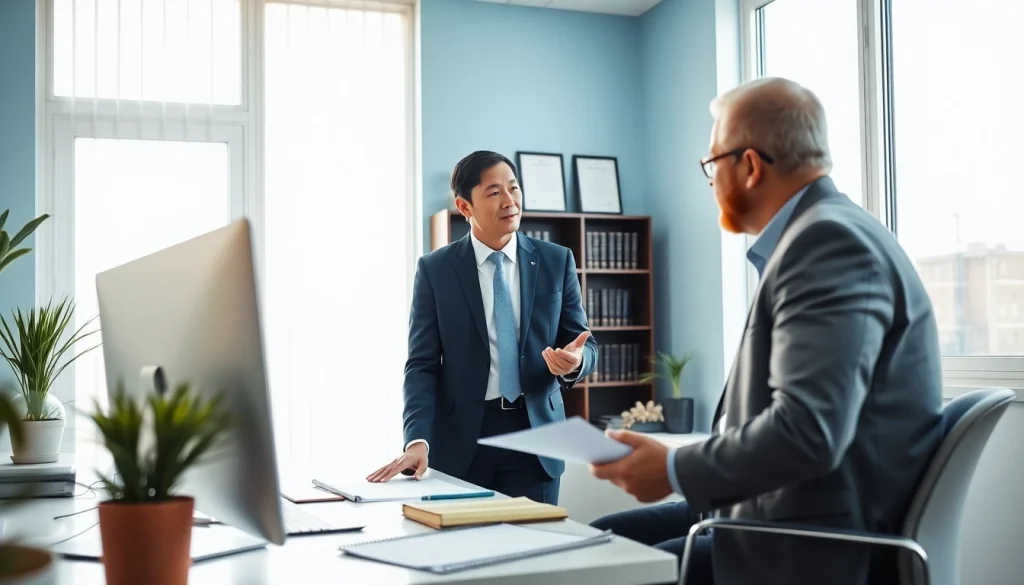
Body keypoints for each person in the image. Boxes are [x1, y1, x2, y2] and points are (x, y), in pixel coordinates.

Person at [588, 77, 944, 585]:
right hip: (778, 513)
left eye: (713, 164)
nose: (710, 181)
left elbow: (808, 431)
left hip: (814, 544)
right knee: (601, 540)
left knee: (606, 570)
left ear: (750, 166)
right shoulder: (820, 234)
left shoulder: (827, 242)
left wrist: (671, 470)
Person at [367, 150, 598, 505]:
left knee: (533, 554)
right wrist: (417, 440)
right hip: (462, 444)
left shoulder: (556, 259)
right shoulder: (436, 270)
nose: (510, 201)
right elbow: (422, 364)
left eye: (514, 188)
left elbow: (583, 342)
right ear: (465, 206)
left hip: (536, 439)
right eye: (494, 193)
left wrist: (577, 361)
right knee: (465, 552)